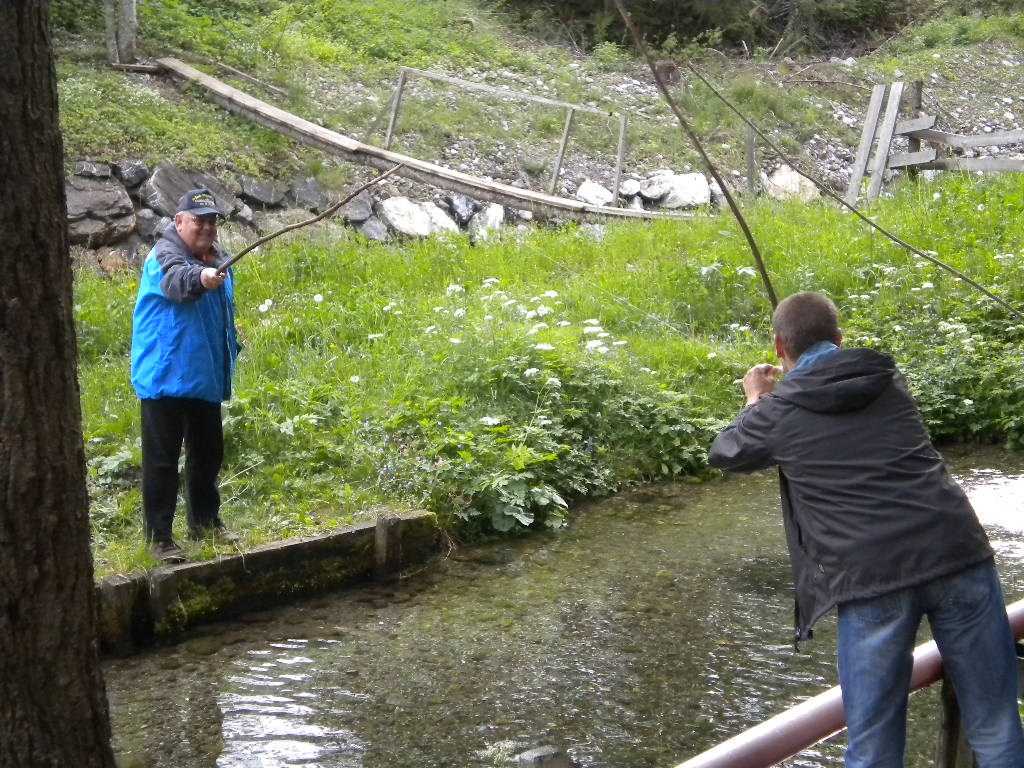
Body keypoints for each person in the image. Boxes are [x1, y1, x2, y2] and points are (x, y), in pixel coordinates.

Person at [709, 291, 1024, 768]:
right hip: (957, 551)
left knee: (873, 748)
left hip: (872, 577)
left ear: (778, 347)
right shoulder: (886, 379)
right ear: (840, 338)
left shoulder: (776, 412)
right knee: (996, 723)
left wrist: (756, 399)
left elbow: (727, 453)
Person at [131, 188, 241, 563]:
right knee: (162, 460)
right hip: (165, 374)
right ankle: (159, 539)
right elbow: (178, 283)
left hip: (203, 374)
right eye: (199, 221)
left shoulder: (219, 258)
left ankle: (205, 523)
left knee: (207, 455)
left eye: (212, 221)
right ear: (179, 222)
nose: (207, 228)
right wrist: (203, 278)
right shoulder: (164, 256)